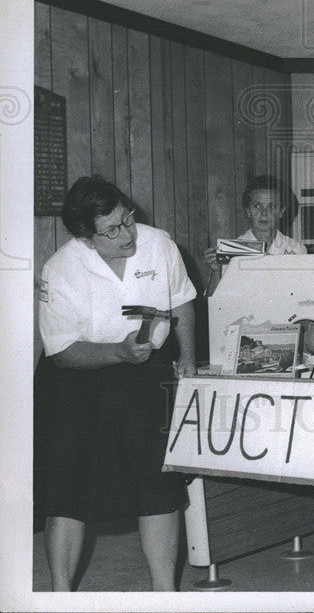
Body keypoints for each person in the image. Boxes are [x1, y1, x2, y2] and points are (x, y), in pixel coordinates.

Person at [35, 176, 197, 591]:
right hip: (78, 380)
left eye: (127, 219)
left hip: (147, 372)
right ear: (87, 239)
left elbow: (181, 298)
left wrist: (187, 359)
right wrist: (118, 353)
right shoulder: (60, 269)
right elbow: (61, 352)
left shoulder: (158, 243)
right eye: (112, 230)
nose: (128, 234)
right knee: (69, 492)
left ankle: (165, 594)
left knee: (158, 486)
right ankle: (60, 595)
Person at [203, 174, 306, 279]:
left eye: (272, 207)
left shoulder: (296, 249)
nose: (264, 213)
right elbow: (213, 295)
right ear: (248, 211)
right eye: (257, 206)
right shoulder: (233, 251)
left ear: (281, 212)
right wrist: (216, 271)